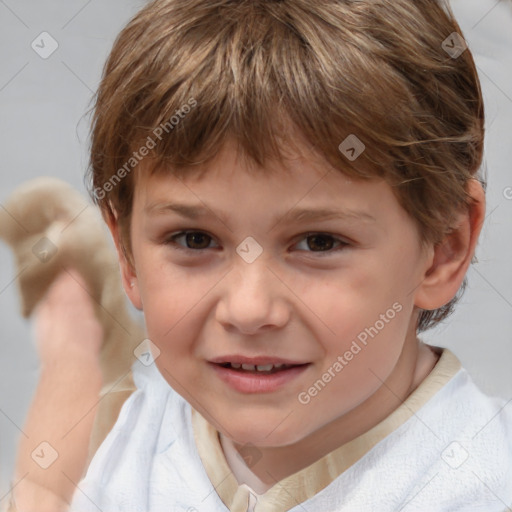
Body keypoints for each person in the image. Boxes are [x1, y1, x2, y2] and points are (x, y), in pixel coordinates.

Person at [8, 0, 512, 510]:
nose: (248, 310)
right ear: (128, 254)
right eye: (194, 239)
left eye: (319, 242)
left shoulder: (483, 483)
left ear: (443, 250)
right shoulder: (142, 437)